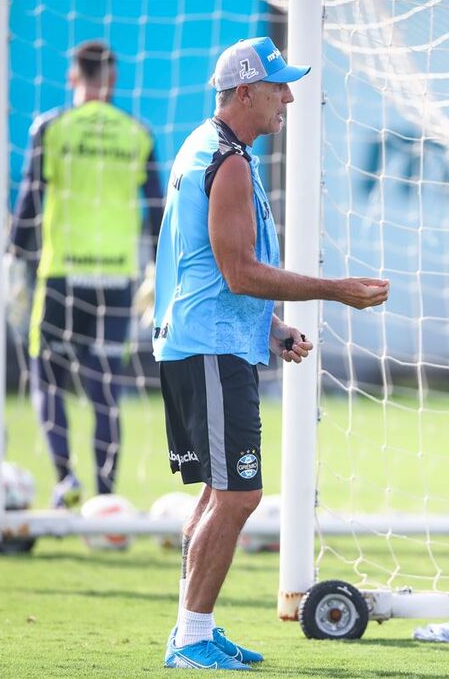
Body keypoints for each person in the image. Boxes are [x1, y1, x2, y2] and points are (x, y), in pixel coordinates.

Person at [155, 37, 389, 671]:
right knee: (237, 496)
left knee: (220, 494)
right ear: (244, 92)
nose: (287, 97)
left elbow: (209, 270)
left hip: (209, 342)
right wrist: (336, 290)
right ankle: (191, 637)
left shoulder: (213, 148)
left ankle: (194, 628)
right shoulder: (225, 161)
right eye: (278, 86)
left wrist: (272, 328)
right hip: (208, 348)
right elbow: (238, 273)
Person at [9, 41, 164, 508]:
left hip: (62, 275)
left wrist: (14, 258)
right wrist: (158, 269)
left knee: (46, 376)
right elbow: (157, 209)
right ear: (112, 79)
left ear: (73, 76)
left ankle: (66, 478)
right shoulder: (137, 133)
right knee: (105, 388)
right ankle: (106, 499)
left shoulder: (51, 128)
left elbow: (30, 199)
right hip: (117, 279)